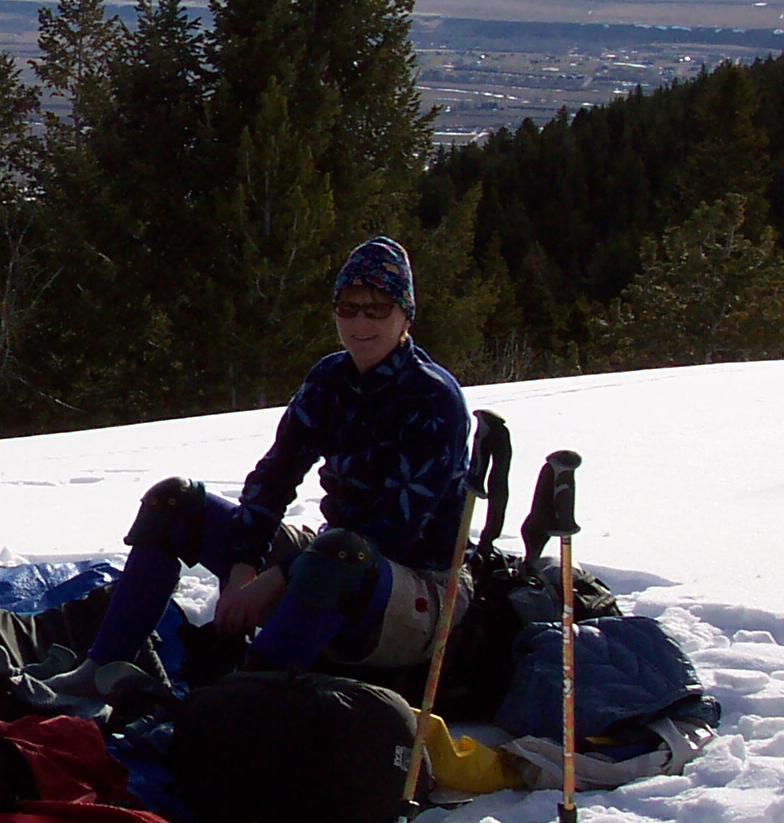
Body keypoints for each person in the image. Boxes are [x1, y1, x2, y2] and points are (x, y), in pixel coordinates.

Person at [53, 236, 471, 700]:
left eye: (377, 309)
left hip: (420, 588)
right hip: (332, 559)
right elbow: (276, 475)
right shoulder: (330, 380)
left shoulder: (433, 400)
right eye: (348, 307)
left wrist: (278, 578)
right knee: (175, 502)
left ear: (405, 315)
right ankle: (100, 666)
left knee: (339, 554)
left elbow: (394, 531)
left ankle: (231, 705)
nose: (359, 323)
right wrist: (243, 565)